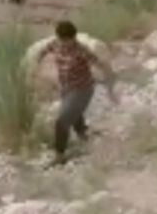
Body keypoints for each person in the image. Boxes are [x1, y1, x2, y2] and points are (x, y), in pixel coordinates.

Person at [32, 21, 118, 167]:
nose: (65, 44)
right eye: (62, 40)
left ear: (73, 38)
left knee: (61, 121)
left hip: (82, 89)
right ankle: (83, 134)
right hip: (66, 87)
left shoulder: (81, 50)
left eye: (68, 40)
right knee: (73, 111)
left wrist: (111, 90)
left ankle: (60, 155)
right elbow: (41, 53)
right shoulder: (55, 43)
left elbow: (103, 66)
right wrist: (35, 67)